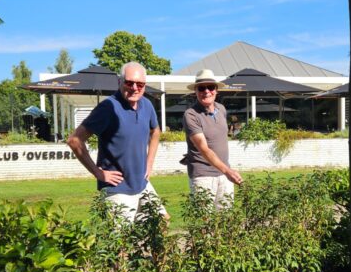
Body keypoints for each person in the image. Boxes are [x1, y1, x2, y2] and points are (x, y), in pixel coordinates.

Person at [67, 61, 167, 223]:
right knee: (121, 244)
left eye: (140, 84)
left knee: (162, 222)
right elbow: (74, 140)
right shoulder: (108, 107)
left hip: (142, 183)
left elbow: (155, 131)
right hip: (117, 189)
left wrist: (149, 162)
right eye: (129, 82)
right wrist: (98, 172)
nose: (135, 88)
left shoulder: (146, 105)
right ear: (120, 82)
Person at [182, 69, 243, 208]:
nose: (206, 91)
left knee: (226, 220)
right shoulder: (191, 115)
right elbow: (204, 149)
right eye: (202, 88)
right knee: (204, 223)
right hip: (202, 175)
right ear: (195, 91)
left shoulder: (221, 109)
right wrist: (228, 171)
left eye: (210, 87)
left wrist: (226, 171)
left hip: (224, 173)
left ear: (216, 90)